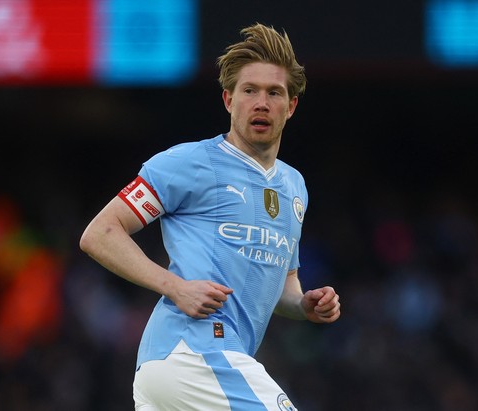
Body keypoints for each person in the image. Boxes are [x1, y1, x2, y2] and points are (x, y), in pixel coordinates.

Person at [80, 22, 341, 411]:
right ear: (227, 100)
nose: (262, 102)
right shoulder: (187, 163)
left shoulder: (294, 187)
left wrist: (304, 304)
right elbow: (99, 233)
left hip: (192, 370)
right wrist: (175, 286)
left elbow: (282, 285)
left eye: (274, 93)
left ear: (291, 106)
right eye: (249, 91)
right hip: (192, 353)